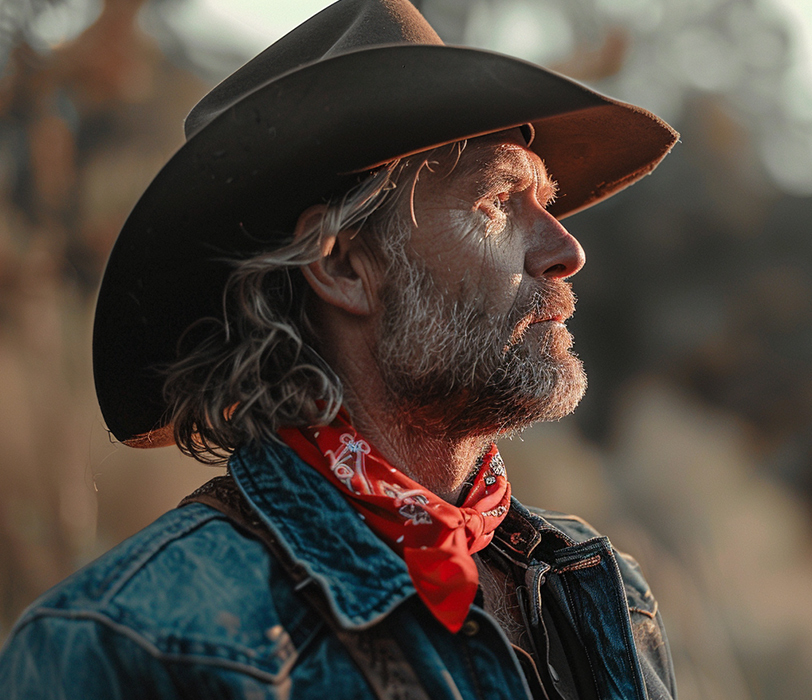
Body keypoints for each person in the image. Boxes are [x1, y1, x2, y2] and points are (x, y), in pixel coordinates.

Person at [0, 0, 678, 697]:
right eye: (500, 200)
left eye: (548, 202)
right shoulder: (127, 646)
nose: (567, 250)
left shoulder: (600, 594)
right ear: (344, 266)